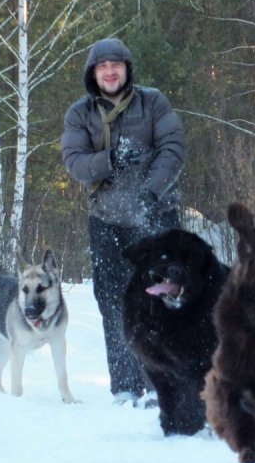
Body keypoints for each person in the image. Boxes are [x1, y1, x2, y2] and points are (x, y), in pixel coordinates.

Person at [61, 37, 186, 405]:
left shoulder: (154, 102)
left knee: (165, 301)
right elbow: (75, 162)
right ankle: (126, 389)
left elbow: (173, 148)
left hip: (156, 217)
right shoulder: (79, 114)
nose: (110, 71)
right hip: (107, 221)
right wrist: (110, 160)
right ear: (93, 73)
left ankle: (167, 385)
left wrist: (152, 191)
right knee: (114, 303)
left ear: (127, 69)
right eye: (102, 66)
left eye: (116, 64)